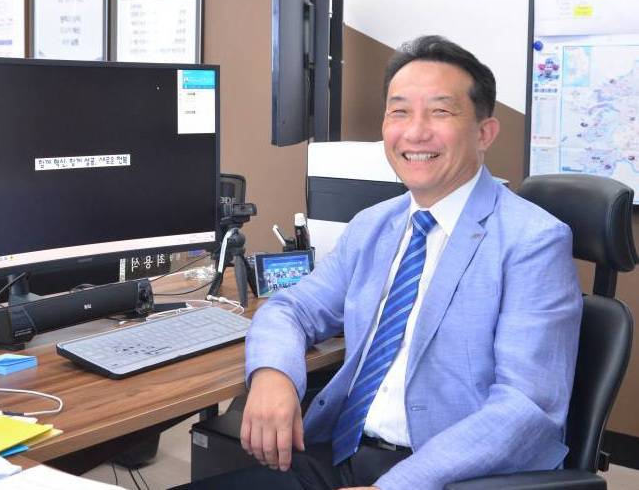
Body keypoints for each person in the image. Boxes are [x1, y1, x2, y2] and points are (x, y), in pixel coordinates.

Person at [178, 35, 582, 490]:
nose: (415, 132)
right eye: (399, 112)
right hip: (340, 453)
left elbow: (526, 408)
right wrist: (273, 374)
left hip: (447, 477)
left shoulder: (533, 241)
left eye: (440, 112)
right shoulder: (375, 225)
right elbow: (292, 308)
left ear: (484, 132)